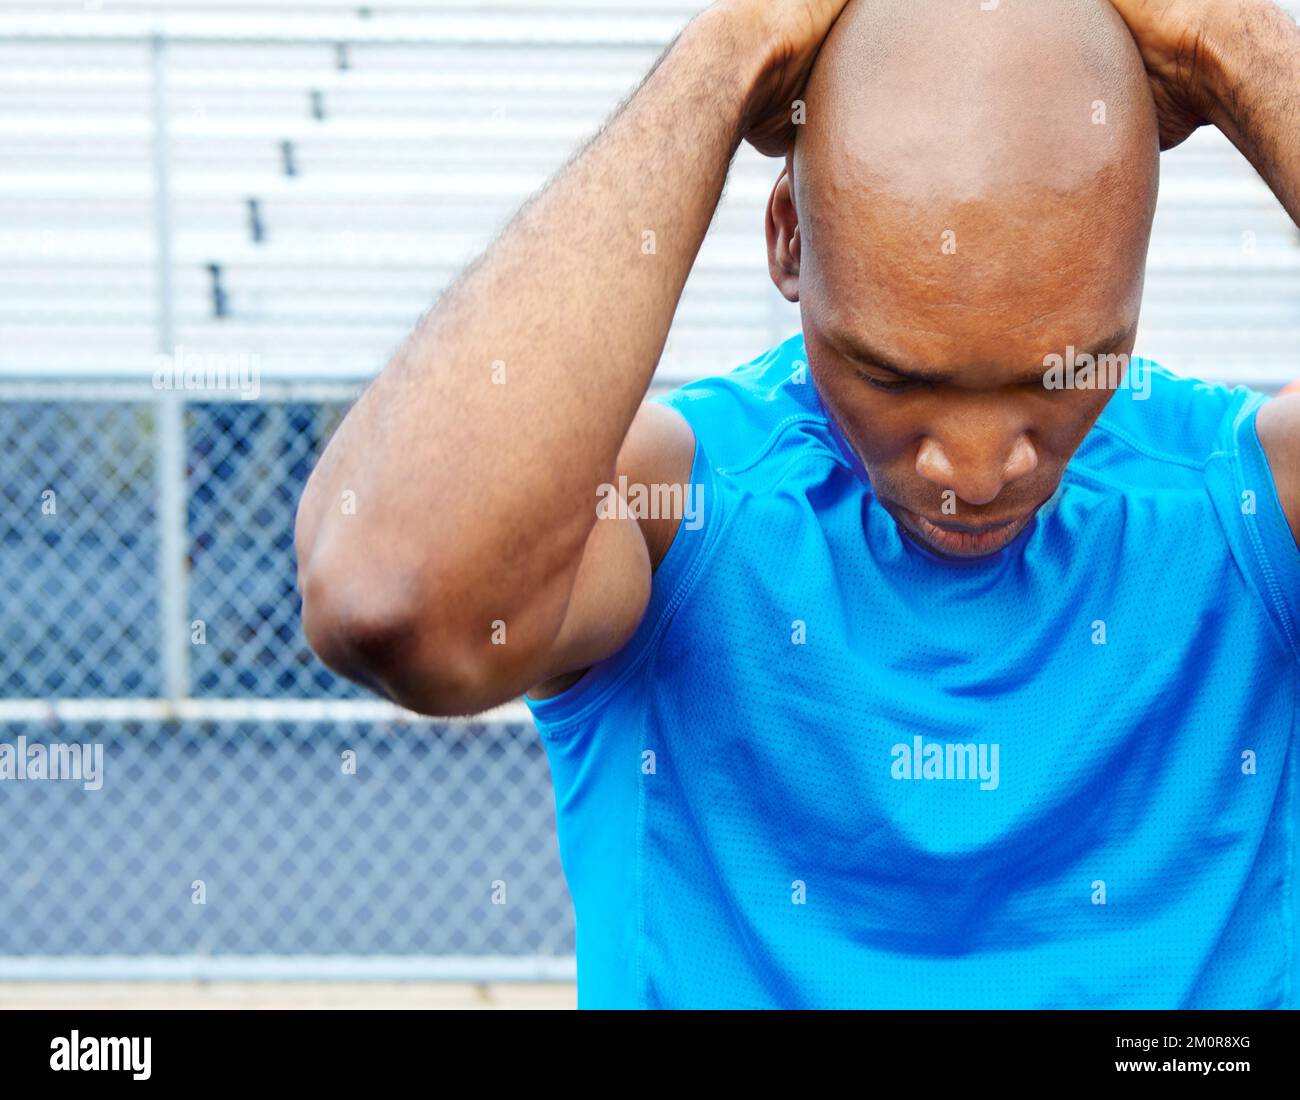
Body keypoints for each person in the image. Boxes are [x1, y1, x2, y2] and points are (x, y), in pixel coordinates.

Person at [294, 0, 1300, 1008]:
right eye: (893, 378)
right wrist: (725, 55)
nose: (975, 466)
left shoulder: (1240, 504)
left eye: (1054, 376)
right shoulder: (686, 511)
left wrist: (1237, 46)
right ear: (785, 239)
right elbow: (398, 592)